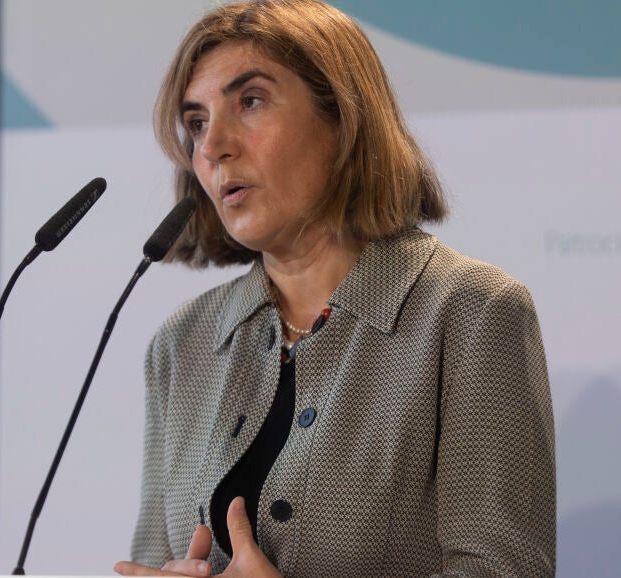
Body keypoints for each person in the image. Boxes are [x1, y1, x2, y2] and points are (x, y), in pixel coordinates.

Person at [112, 1, 555, 576]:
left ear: (342, 118)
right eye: (196, 123)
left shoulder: (472, 313)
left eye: (250, 101)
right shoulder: (181, 344)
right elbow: (153, 557)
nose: (214, 145)